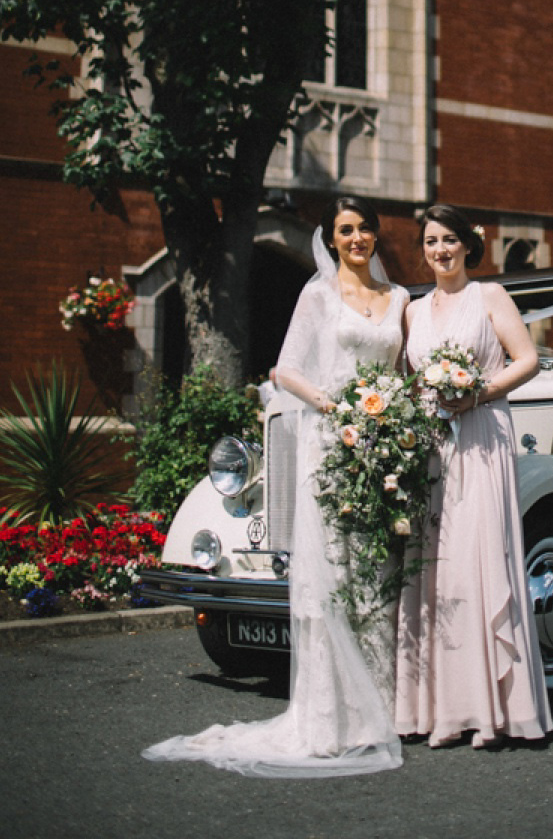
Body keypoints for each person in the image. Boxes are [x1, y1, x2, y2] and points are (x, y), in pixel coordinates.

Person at [143, 195, 408, 777]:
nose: (358, 238)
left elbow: (404, 370)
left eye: (366, 228)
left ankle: (376, 709)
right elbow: (285, 369)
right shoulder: (318, 295)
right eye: (346, 230)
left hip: (383, 446)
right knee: (332, 576)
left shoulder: (400, 300)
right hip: (332, 445)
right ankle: (329, 718)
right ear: (331, 239)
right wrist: (332, 406)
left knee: (376, 574)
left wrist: (394, 418)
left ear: (375, 235)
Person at [394, 203, 553, 749]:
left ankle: (494, 711)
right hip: (433, 449)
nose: (440, 250)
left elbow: (527, 359)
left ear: (468, 244)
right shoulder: (414, 311)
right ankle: (441, 711)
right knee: (437, 571)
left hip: (483, 438)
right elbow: (408, 380)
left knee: (477, 564)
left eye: (449, 240)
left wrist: (477, 392)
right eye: (431, 242)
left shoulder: (490, 296)